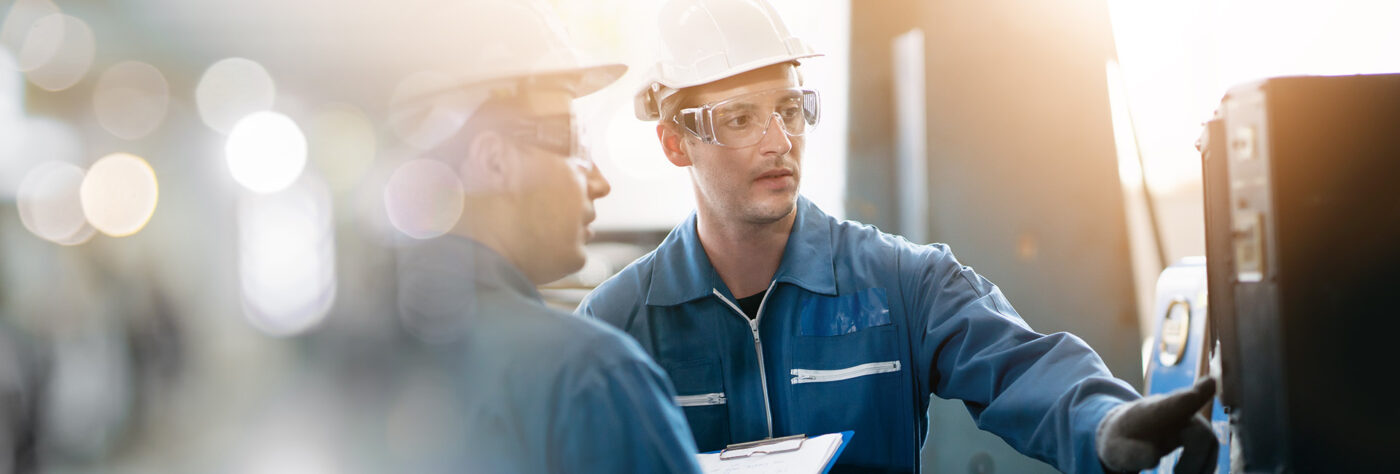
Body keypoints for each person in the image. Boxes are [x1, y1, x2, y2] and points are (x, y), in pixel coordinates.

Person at [577, 0, 1216, 472]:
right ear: (675, 143)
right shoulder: (617, 326)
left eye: (790, 109)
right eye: (740, 118)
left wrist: (1105, 422)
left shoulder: (901, 283)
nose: (779, 141)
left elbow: (1022, 366)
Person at [388, 1, 701, 472]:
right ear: (494, 161)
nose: (600, 182)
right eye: (574, 142)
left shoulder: (354, 367)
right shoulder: (591, 377)